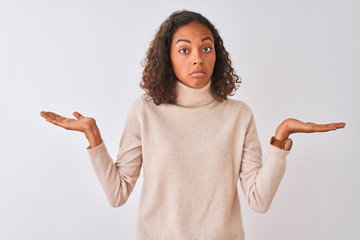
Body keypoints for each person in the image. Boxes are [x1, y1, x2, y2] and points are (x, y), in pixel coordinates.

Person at [40, 10, 345, 240]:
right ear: (168, 58)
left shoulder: (238, 115)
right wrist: (93, 138)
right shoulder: (145, 112)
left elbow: (259, 200)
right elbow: (118, 194)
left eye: (206, 48)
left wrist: (281, 139)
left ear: (217, 55)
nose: (197, 58)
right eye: (184, 50)